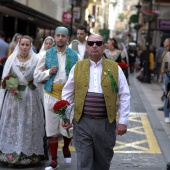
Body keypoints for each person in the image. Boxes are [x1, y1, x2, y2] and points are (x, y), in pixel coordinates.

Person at [62, 34, 130, 170]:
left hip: (105, 123)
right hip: (82, 123)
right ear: (87, 47)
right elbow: (67, 93)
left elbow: (124, 94)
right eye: (91, 43)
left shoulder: (115, 68)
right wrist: (65, 115)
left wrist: (123, 121)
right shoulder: (78, 67)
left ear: (104, 47)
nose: (95, 46)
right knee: (83, 162)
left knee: (102, 162)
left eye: (98, 43)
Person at [34, 26, 79, 169]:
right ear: (55, 37)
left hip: (67, 96)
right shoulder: (46, 55)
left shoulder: (74, 55)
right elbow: (36, 75)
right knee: (51, 128)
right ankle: (54, 160)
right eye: (58, 35)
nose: (60, 38)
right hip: (51, 94)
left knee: (67, 128)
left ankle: (66, 147)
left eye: (63, 36)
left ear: (67, 38)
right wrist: (48, 72)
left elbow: (79, 76)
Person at [0, 35, 45, 167]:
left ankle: (30, 156)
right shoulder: (11, 59)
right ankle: (10, 155)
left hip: (30, 96)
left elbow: (40, 77)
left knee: (28, 123)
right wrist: (9, 86)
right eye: (22, 44)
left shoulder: (37, 59)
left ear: (31, 46)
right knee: (13, 124)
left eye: (27, 45)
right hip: (13, 97)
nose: (24, 47)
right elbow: (4, 79)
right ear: (18, 45)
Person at [36, 36, 55, 103]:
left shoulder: (55, 56)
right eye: (46, 43)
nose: (48, 45)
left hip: (50, 81)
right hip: (40, 82)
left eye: (50, 44)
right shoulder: (38, 56)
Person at [160, 38, 170, 123]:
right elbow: (165, 65)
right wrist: (164, 73)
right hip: (168, 76)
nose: (163, 43)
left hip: (166, 75)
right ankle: (166, 115)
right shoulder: (166, 52)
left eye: (165, 42)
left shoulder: (166, 52)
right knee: (168, 95)